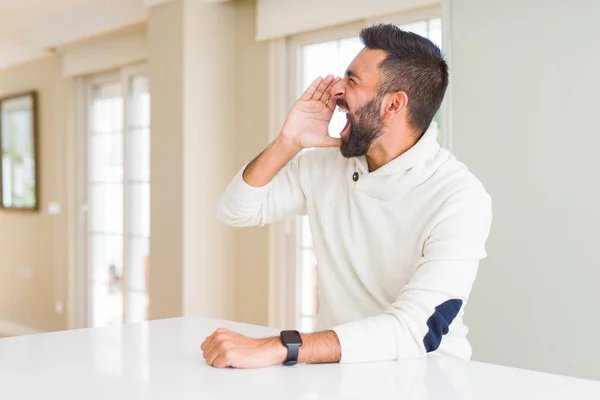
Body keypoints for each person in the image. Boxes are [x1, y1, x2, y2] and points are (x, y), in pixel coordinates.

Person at [201, 23, 492, 369]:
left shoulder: (459, 197)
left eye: (352, 80)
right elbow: (235, 211)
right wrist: (288, 143)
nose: (337, 89)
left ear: (394, 104)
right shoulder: (326, 165)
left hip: (429, 380)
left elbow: (418, 330)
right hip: (338, 374)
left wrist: (282, 346)